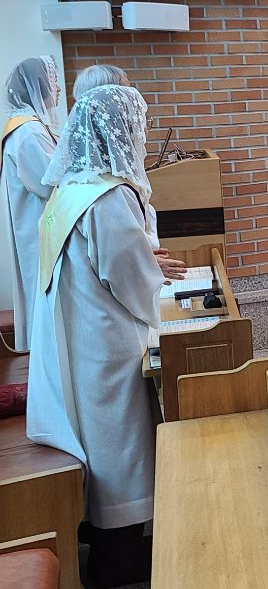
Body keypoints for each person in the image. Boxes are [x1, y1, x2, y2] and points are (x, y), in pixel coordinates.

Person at [28, 85, 166, 587]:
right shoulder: (107, 196)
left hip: (80, 332)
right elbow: (127, 274)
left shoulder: (71, 188)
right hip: (108, 339)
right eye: (137, 126)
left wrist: (143, 262)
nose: (141, 137)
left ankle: (110, 539)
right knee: (121, 443)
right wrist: (157, 286)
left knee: (103, 438)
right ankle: (118, 556)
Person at [71, 64, 184, 276]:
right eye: (134, 111)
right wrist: (145, 266)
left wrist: (142, 258)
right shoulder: (110, 193)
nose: (144, 128)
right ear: (114, 116)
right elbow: (118, 273)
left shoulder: (79, 177)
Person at [0, 56, 61, 351]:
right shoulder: (28, 131)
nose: (58, 88)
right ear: (38, 86)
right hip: (39, 229)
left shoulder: (30, 127)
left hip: (38, 225)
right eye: (53, 81)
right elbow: (49, 183)